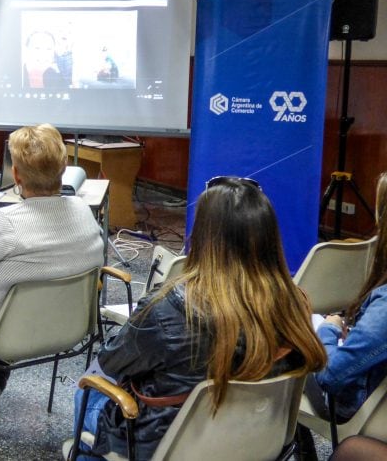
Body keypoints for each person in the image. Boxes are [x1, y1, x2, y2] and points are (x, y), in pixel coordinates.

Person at [66, 176, 327, 460]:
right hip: (257, 441)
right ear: (269, 238)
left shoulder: (171, 309)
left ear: (203, 236)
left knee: (88, 393)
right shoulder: (295, 305)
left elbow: (111, 363)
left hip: (169, 443)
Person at [0, 123, 105, 430]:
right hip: (70, 331)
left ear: (16, 175)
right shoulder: (85, 212)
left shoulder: (3, 223)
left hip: (7, 339)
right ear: (65, 168)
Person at [308, 171, 387, 422]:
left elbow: (331, 376)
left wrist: (328, 330)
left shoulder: (385, 306)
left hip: (355, 408)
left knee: (284, 351)